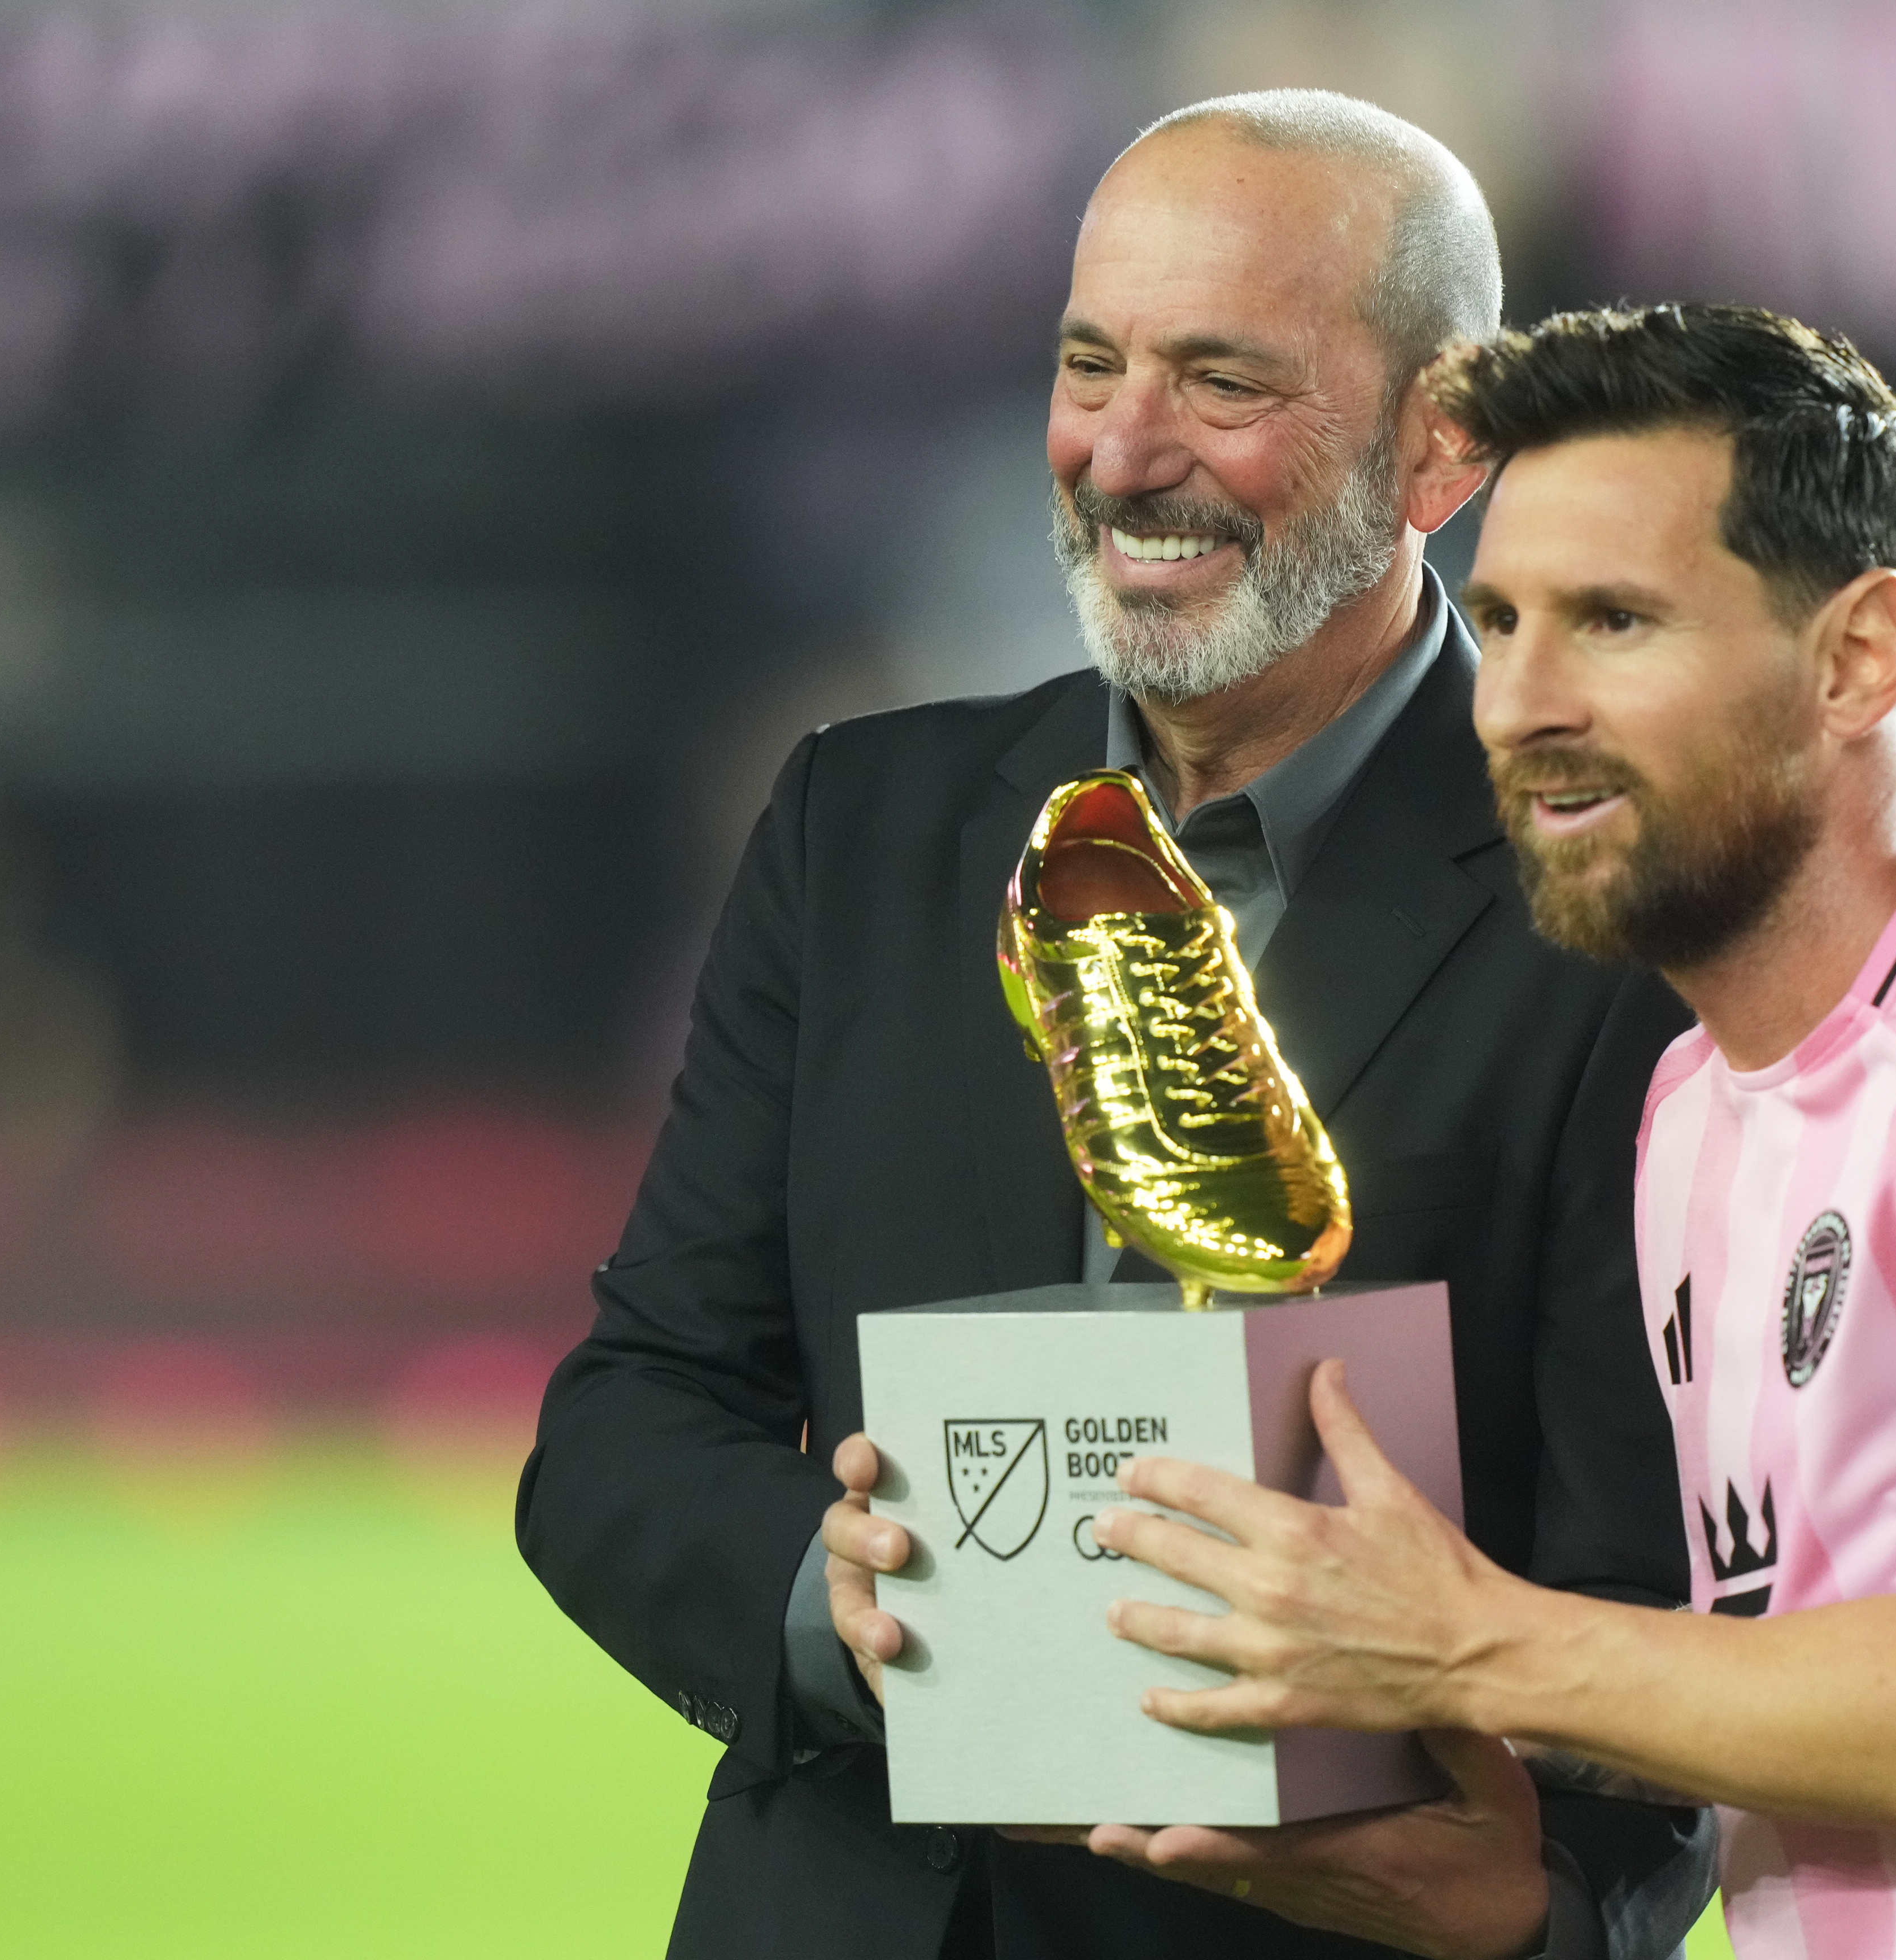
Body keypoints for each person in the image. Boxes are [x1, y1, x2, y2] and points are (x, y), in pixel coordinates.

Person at [517, 94, 1710, 1960]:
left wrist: (1540, 1914)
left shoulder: (1624, 920)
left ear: (1441, 441)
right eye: (1091, 364)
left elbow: (1680, 1601)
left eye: (1222, 384)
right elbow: (631, 1419)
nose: (1122, 452)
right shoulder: (860, 828)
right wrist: (841, 1611)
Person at [1093, 304, 1896, 1958]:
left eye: (1615, 623)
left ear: (1857, 657)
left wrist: (1463, 1648)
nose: (1519, 704)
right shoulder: (1690, 1098)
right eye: (1499, 621)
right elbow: (1783, 1670)